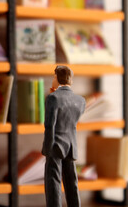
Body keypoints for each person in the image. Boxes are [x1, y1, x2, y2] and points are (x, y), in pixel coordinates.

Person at [42, 65, 86, 207]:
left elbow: (49, 125)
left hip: (56, 143)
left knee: (53, 180)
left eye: (54, 77)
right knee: (71, 180)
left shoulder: (53, 98)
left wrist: (46, 148)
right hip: (71, 143)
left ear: (57, 78)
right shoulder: (81, 100)